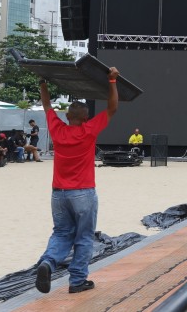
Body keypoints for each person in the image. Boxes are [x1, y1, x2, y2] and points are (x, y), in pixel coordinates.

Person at [35, 67, 120, 295]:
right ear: (86, 118)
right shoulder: (89, 130)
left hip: (58, 193)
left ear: (67, 117)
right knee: (84, 237)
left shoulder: (57, 130)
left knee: (61, 233)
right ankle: (77, 281)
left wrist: (43, 83)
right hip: (83, 192)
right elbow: (112, 108)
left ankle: (48, 262)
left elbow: (47, 106)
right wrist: (112, 80)